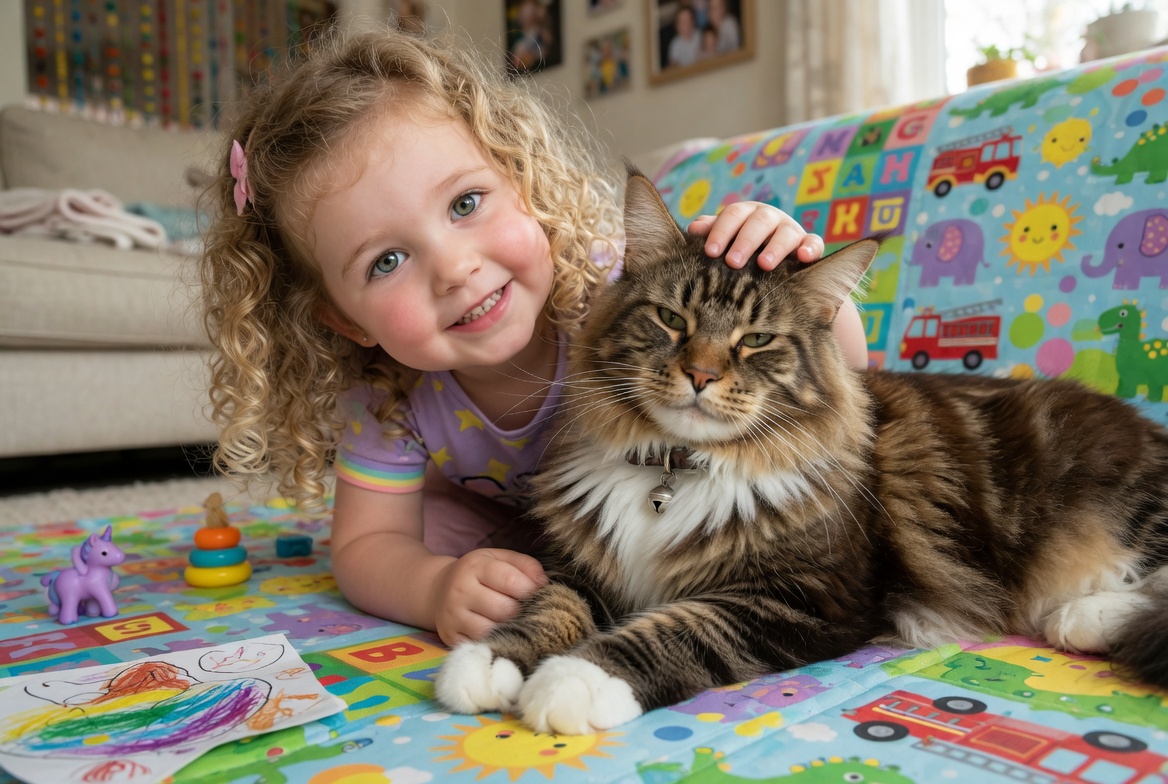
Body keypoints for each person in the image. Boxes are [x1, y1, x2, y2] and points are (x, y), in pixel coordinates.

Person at [200, 28, 868, 648]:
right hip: (501, 517)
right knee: (445, 547)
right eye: (386, 261)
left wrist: (796, 281)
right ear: (346, 321)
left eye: (465, 204)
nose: (455, 270)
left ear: (524, 181)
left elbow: (853, 370)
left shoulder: (617, 286)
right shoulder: (386, 397)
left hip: (651, 496)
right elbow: (365, 547)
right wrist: (433, 589)